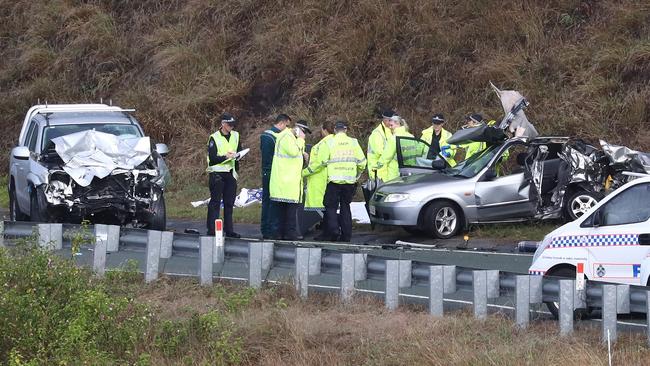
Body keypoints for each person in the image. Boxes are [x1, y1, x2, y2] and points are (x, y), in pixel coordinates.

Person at [323, 120, 366, 242]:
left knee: (331, 207)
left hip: (334, 181)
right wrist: (356, 175)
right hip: (349, 182)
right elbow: (362, 162)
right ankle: (346, 236)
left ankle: (334, 231)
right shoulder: (353, 142)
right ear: (346, 130)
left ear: (335, 130)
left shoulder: (330, 142)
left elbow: (323, 161)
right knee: (345, 207)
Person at [269, 115, 306, 240]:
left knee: (285, 211)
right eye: (303, 131)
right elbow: (293, 152)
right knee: (288, 211)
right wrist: (301, 140)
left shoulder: (290, 138)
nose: (304, 134)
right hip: (286, 181)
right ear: (298, 129)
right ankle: (288, 234)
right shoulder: (287, 136)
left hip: (289, 181)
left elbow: (295, 157)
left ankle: (283, 233)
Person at [206, 112, 241, 238]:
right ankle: (212, 229)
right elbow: (213, 158)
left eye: (233, 125)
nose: (231, 127)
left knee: (229, 203)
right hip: (217, 174)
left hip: (230, 173)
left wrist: (237, 158)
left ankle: (229, 230)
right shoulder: (214, 137)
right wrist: (225, 157)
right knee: (215, 203)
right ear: (223, 124)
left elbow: (239, 150)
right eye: (229, 125)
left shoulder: (236, 135)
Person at [302, 120, 335, 240]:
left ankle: (328, 232)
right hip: (332, 178)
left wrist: (304, 172)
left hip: (321, 179)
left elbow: (319, 163)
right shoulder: (336, 141)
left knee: (326, 208)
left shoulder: (324, 144)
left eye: (322, 129)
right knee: (330, 207)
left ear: (325, 130)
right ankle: (331, 230)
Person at [260, 114, 289, 239]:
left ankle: (273, 228)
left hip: (276, 173)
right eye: (286, 126)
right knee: (269, 202)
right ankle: (267, 229)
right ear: (282, 123)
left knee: (274, 202)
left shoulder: (275, 136)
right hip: (270, 173)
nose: (287, 129)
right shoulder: (269, 136)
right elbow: (268, 159)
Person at [367, 110, 397, 186]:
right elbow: (381, 152)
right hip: (379, 172)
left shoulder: (391, 131)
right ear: (385, 120)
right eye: (392, 121)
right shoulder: (377, 133)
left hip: (388, 173)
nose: (393, 123)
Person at [378, 116, 414, 180]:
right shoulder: (411, 136)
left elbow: (386, 157)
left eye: (391, 125)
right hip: (410, 172)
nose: (390, 127)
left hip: (395, 174)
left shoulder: (394, 138)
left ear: (397, 124)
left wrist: (377, 167)